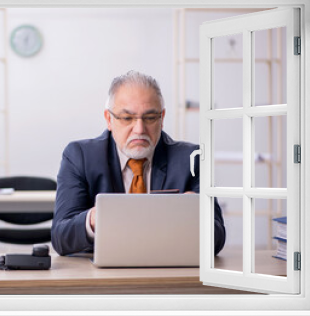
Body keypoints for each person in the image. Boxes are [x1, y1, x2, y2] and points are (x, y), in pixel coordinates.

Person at [51, 70, 225, 256]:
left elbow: (217, 240)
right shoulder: (80, 156)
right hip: (102, 275)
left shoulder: (192, 159)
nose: (139, 129)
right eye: (127, 118)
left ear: (162, 118)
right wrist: (92, 219)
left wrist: (195, 217)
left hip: (168, 271)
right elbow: (61, 238)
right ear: (109, 119)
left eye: (150, 118)